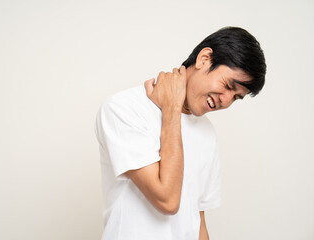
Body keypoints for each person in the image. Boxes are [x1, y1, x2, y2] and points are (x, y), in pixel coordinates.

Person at [94, 26, 266, 240]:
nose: (226, 100)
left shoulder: (207, 132)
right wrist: (172, 109)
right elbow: (167, 200)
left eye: (236, 97)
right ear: (204, 59)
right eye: (228, 86)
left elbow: (198, 218)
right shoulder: (124, 108)